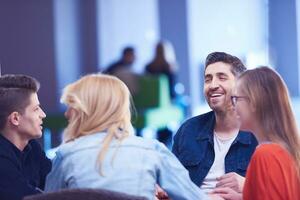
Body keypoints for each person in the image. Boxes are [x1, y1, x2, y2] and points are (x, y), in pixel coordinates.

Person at [45, 74, 222, 200]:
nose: (67, 114)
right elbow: (191, 196)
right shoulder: (152, 150)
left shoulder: (65, 155)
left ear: (87, 111)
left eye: (71, 107)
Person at [172, 52, 258, 194]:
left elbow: (283, 192)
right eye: (207, 79)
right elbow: (170, 182)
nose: (212, 85)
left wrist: (250, 186)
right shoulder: (188, 130)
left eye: (222, 77)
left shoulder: (260, 134)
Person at [213, 67, 300, 200]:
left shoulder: (265, 155)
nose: (233, 106)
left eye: (236, 99)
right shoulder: (285, 151)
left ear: (254, 102)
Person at [0, 74, 52, 200]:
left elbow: (55, 184)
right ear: (15, 118)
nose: (43, 114)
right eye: (36, 109)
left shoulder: (32, 146)